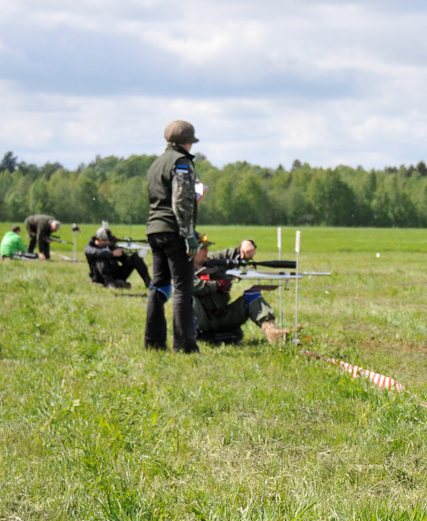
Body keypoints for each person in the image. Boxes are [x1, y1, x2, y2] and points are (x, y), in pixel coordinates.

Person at [144, 120, 202, 352]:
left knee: (159, 286)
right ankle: (185, 346)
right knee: (182, 289)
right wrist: (188, 234)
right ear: (186, 142)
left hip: (154, 229)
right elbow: (181, 200)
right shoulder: (181, 162)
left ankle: (154, 343)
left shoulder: (156, 163)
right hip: (174, 230)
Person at [192, 240, 289, 344]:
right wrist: (216, 284)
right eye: (202, 248)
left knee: (251, 294)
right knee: (187, 298)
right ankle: (190, 336)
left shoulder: (213, 261)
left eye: (206, 248)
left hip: (222, 316)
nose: (206, 251)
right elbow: (191, 286)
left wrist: (246, 244)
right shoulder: (183, 269)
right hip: (201, 320)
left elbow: (235, 253)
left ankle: (271, 331)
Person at [85, 226, 151, 289]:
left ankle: (149, 283)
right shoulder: (90, 248)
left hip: (116, 274)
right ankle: (109, 283)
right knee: (101, 257)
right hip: (100, 278)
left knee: (135, 258)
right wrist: (112, 254)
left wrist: (132, 255)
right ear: (100, 240)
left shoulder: (111, 246)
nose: (109, 244)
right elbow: (97, 252)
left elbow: (125, 260)